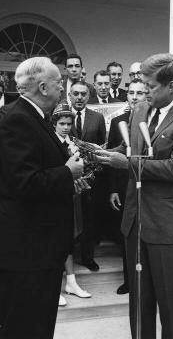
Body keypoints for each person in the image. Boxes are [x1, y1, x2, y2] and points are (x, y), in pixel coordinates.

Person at [95, 53, 173, 339]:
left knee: (169, 302)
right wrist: (106, 154)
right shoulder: (141, 110)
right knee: (139, 301)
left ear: (170, 86)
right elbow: (130, 148)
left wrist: (126, 164)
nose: (144, 92)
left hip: (167, 223)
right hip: (135, 220)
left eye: (150, 86)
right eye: (141, 85)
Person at [0, 57, 87, 339]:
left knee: (39, 323)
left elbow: (39, 171)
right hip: (28, 246)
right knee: (22, 324)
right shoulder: (19, 119)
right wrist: (67, 172)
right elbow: (23, 182)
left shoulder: (35, 116)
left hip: (41, 244)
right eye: (59, 82)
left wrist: (68, 181)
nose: (63, 87)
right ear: (44, 87)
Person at [107, 78, 148, 295]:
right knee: (128, 235)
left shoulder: (152, 121)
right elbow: (115, 155)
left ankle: (145, 282)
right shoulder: (118, 121)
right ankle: (129, 280)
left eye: (139, 93)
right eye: (131, 92)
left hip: (148, 184)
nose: (134, 96)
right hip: (125, 185)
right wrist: (113, 189)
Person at [51, 103, 91, 307]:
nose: (66, 127)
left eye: (68, 123)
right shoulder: (50, 143)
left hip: (72, 196)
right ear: (54, 124)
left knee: (69, 238)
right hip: (55, 198)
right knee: (55, 240)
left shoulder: (73, 143)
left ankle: (71, 282)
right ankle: (53, 287)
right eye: (61, 123)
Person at [69, 81, 106, 271]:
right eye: (75, 93)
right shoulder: (61, 115)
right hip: (67, 177)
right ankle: (67, 257)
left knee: (89, 218)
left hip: (90, 178)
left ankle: (87, 257)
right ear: (70, 95)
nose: (79, 97)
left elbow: (102, 146)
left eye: (83, 94)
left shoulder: (97, 118)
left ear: (88, 96)